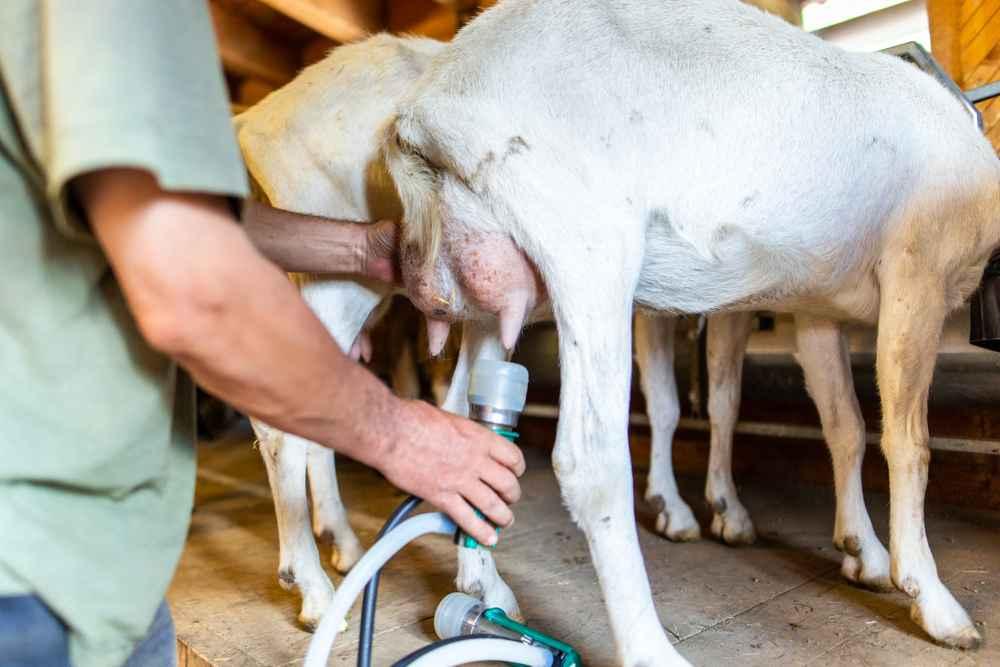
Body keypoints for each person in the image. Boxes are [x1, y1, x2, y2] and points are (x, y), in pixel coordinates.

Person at [0, 4, 524, 666]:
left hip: (70, 563)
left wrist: (362, 250)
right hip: (38, 578)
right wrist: (404, 435)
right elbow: (192, 286)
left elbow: (199, 217)